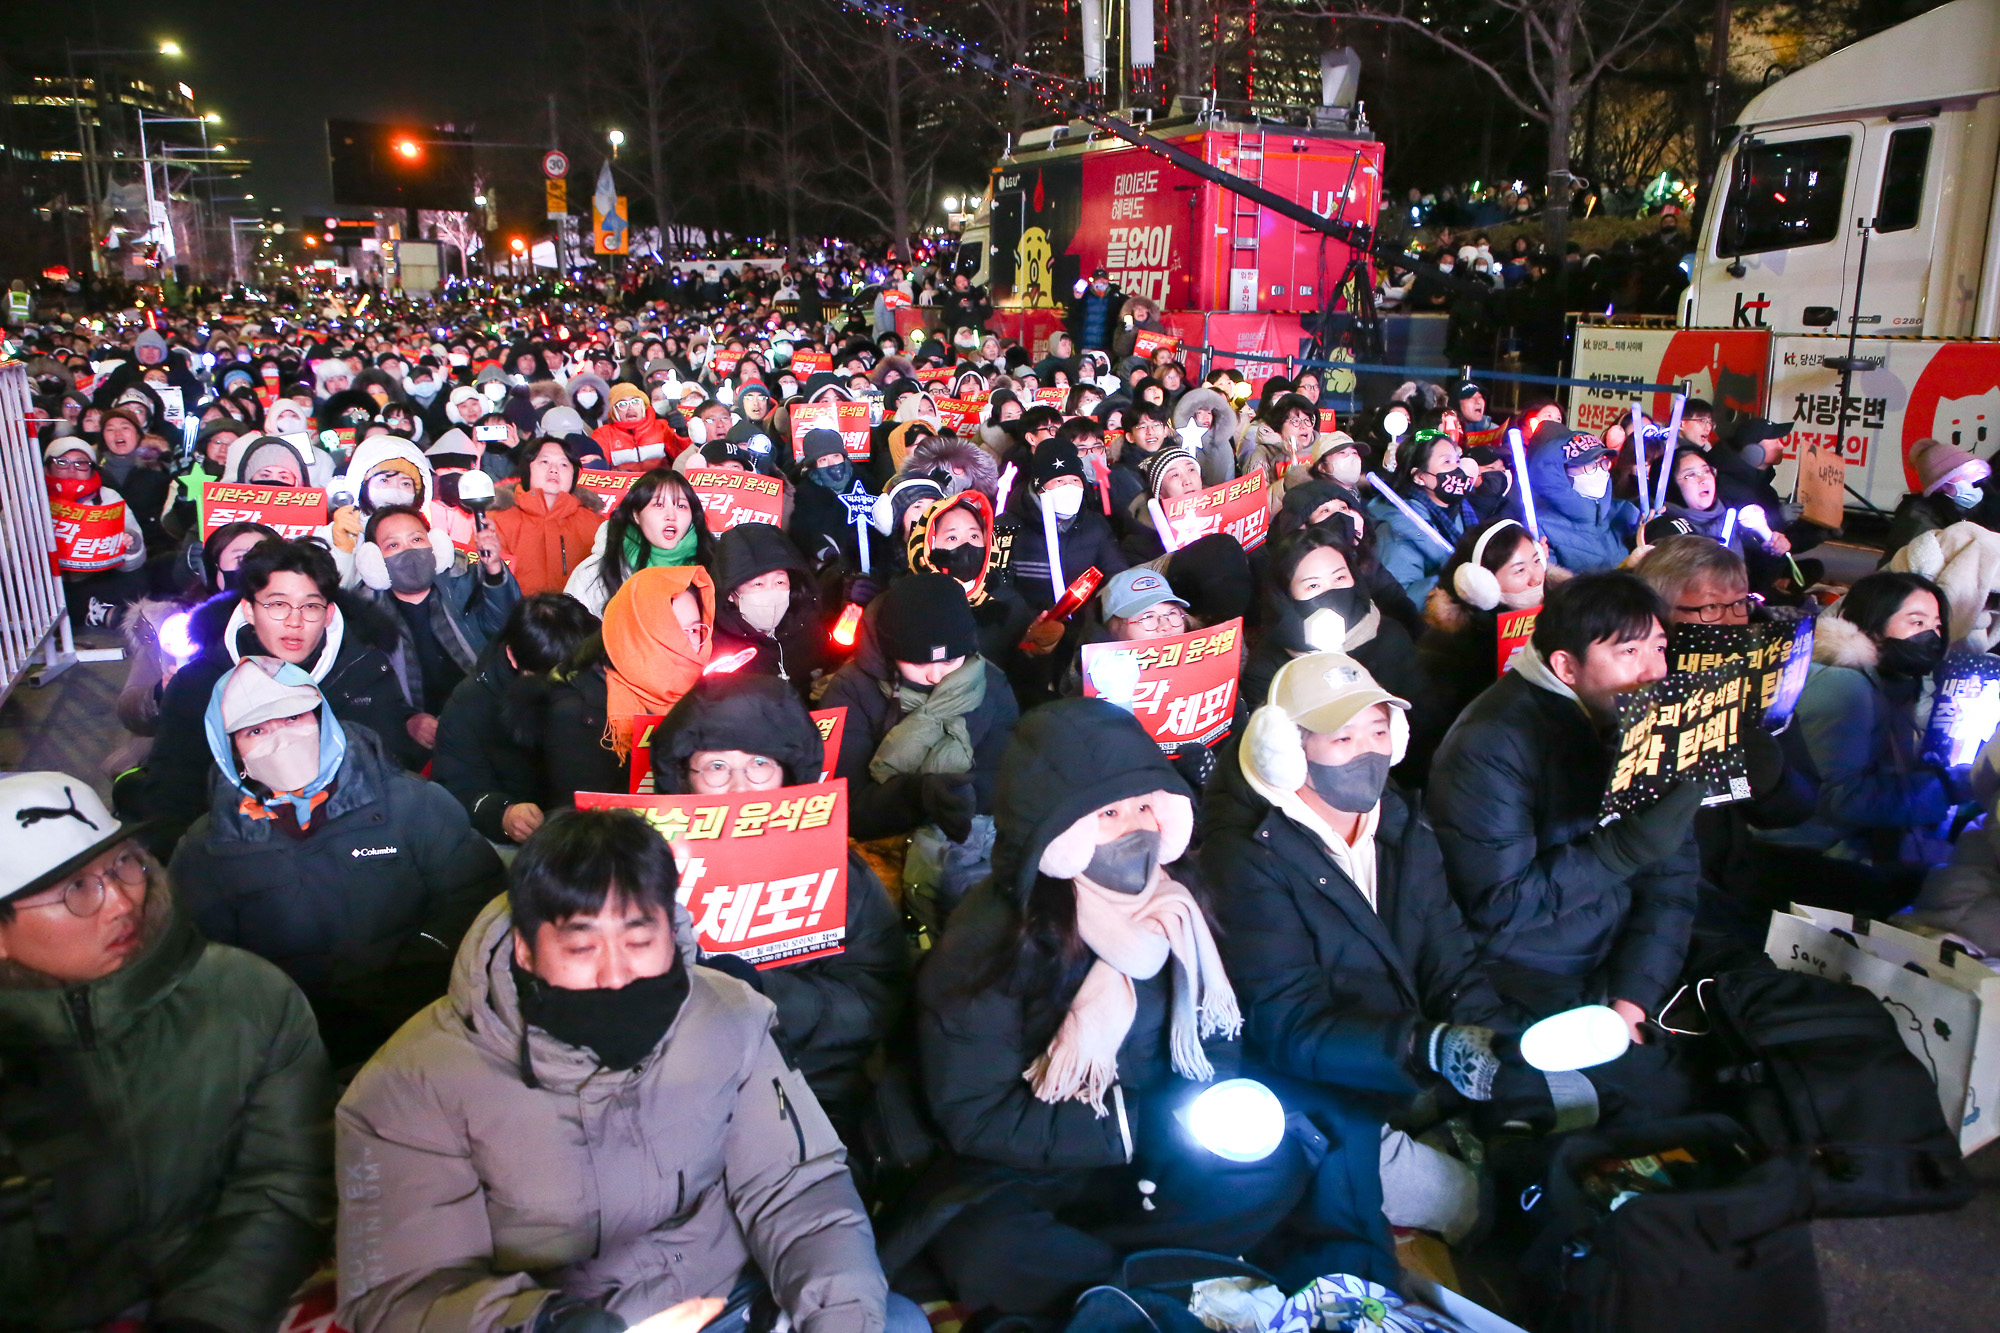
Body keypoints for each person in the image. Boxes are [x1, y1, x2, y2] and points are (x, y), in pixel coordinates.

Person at [333, 807, 898, 1333]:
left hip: (736, 1300)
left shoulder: (729, 1016)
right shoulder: (412, 1083)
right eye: (581, 949)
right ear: (527, 952)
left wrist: (841, 1316)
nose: (617, 974)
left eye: (639, 940)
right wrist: (544, 1324)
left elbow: (796, 1186)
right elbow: (402, 1293)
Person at [905, 699, 1328, 1314]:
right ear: (1058, 830)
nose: (1135, 827)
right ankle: (1153, 1285)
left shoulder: (1180, 908)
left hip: (1162, 1139)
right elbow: (976, 1115)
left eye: (1145, 807)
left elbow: (1216, 1041)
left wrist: (1188, 1124)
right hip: (1033, 1165)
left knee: (1275, 1161)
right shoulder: (990, 938)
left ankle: (1116, 1282)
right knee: (985, 1244)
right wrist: (1126, 1132)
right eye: (1107, 813)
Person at [1204, 653, 1543, 1263]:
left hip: (1412, 1062)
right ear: (1286, 749)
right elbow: (1288, 1026)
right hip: (1324, 1094)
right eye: (1343, 737)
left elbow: (1450, 959)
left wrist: (1502, 1056)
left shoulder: (1402, 823)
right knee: (1477, 1210)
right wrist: (1423, 1047)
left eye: (1380, 732)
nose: (1369, 752)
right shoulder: (1246, 858)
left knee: (1562, 1109)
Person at [0, 771, 331, 1332]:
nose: (122, 903)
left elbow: (281, 1184)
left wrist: (209, 1317)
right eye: (76, 889)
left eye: (123, 865)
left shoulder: (247, 995)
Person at [1427, 573, 1702, 1105]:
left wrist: (1633, 1000)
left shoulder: (1642, 717)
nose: (1654, 670)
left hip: (1617, 959)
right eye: (1628, 651)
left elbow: (1672, 881)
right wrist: (1624, 849)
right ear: (1565, 667)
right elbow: (1501, 907)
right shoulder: (1491, 745)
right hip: (1521, 972)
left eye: (1660, 647)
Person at [170, 657, 504, 1067]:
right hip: (291, 1046)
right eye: (256, 730)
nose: (282, 739)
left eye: (293, 717)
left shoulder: (411, 803)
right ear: (232, 750)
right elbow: (203, 962)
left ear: (321, 717)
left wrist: (425, 962)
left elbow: (475, 891)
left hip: (422, 1025)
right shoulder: (209, 848)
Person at [646, 675, 910, 1132]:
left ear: (788, 773)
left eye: (759, 765)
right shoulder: (646, 868)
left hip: (808, 1085)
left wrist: (761, 991)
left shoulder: (840, 871)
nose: (739, 790)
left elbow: (878, 998)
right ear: (683, 776)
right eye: (715, 768)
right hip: (677, 1087)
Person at [133, 536, 419, 851]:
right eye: (277, 604)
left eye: (310, 606)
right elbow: (173, 796)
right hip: (242, 850)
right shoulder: (200, 684)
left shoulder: (364, 670)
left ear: (328, 613)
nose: (294, 622)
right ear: (250, 610)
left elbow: (389, 772)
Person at [1752, 571, 1958, 913]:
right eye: (1916, 621)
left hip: (1824, 843)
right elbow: (1837, 798)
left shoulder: (1890, 681)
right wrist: (1942, 789)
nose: (1931, 636)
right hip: (1791, 852)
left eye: (1936, 625)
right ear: (1872, 622)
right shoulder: (1846, 686)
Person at [822, 574, 1019, 928]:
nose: (935, 677)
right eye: (918, 662)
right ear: (889, 650)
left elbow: (1006, 776)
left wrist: (960, 796)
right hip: (881, 845)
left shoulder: (992, 683)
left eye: (949, 662)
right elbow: (843, 804)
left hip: (968, 841)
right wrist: (918, 794)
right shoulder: (850, 690)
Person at [534, 564, 716, 804]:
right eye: (671, 632)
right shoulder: (578, 710)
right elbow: (577, 815)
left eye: (694, 630)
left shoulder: (710, 696)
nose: (687, 645)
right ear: (637, 634)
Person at [435, 593, 602, 845]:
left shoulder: (607, 672)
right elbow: (459, 789)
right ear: (513, 657)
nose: (569, 691)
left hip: (603, 822)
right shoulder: (469, 704)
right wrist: (503, 813)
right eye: (552, 679)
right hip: (529, 837)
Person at [1417, 517, 1554, 725]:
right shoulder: (1447, 651)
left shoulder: (1561, 608)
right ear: (1482, 583)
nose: (1536, 578)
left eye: (1537, 561)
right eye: (1519, 570)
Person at [565, 467, 714, 617]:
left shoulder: (712, 565)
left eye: (681, 506)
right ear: (636, 515)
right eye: (658, 505)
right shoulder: (592, 574)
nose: (671, 516)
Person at [1002, 434, 1129, 612]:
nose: (1068, 488)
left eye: (1075, 481)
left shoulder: (1095, 525)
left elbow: (1116, 574)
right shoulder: (1007, 527)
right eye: (1059, 481)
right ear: (1040, 487)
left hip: (1085, 627)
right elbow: (1000, 588)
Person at [1366, 429, 1479, 603]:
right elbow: (1401, 600)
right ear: (1419, 477)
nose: (1457, 469)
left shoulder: (1463, 508)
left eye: (1456, 460)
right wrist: (1456, 582)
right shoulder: (1398, 528)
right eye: (1446, 462)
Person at [45, 437, 147, 627]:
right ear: (47, 466)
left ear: (91, 468)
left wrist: (130, 545)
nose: (72, 469)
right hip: (47, 583)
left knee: (138, 579)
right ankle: (96, 612)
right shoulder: (30, 498)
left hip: (98, 577)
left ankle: (99, 611)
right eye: (62, 462)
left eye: (80, 463)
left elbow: (135, 562)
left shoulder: (108, 496)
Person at [709, 522, 823, 688]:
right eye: (758, 584)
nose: (771, 593)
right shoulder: (716, 650)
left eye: (780, 581)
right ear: (730, 594)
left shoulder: (808, 630)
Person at [491, 436, 604, 595]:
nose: (554, 469)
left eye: (564, 464)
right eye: (544, 462)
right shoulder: (496, 521)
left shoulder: (596, 524)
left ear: (574, 475)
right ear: (527, 469)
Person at [1523, 423, 1639, 574]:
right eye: (1590, 464)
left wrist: (1649, 534)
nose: (1600, 471)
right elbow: (1556, 592)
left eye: (1603, 462)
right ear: (1561, 472)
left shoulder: (1626, 512)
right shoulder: (1540, 527)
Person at [1881, 436, 1994, 559]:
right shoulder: (1919, 520)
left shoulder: (1962, 513)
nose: (1971, 479)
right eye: (1963, 473)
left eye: (1974, 472)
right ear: (1940, 485)